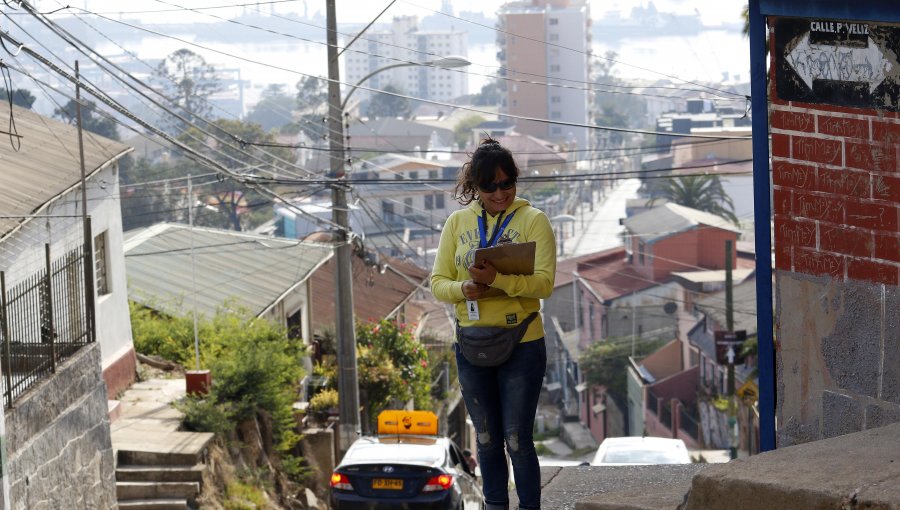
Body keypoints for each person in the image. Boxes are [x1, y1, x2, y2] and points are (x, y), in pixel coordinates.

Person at [431, 137, 556, 510]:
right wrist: (465, 288)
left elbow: (544, 283)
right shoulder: (457, 223)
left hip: (523, 341)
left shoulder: (534, 220)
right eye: (490, 186)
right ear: (475, 188)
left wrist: (496, 281)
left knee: (517, 438)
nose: (500, 192)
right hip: (472, 343)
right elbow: (438, 283)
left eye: (507, 183)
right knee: (485, 438)